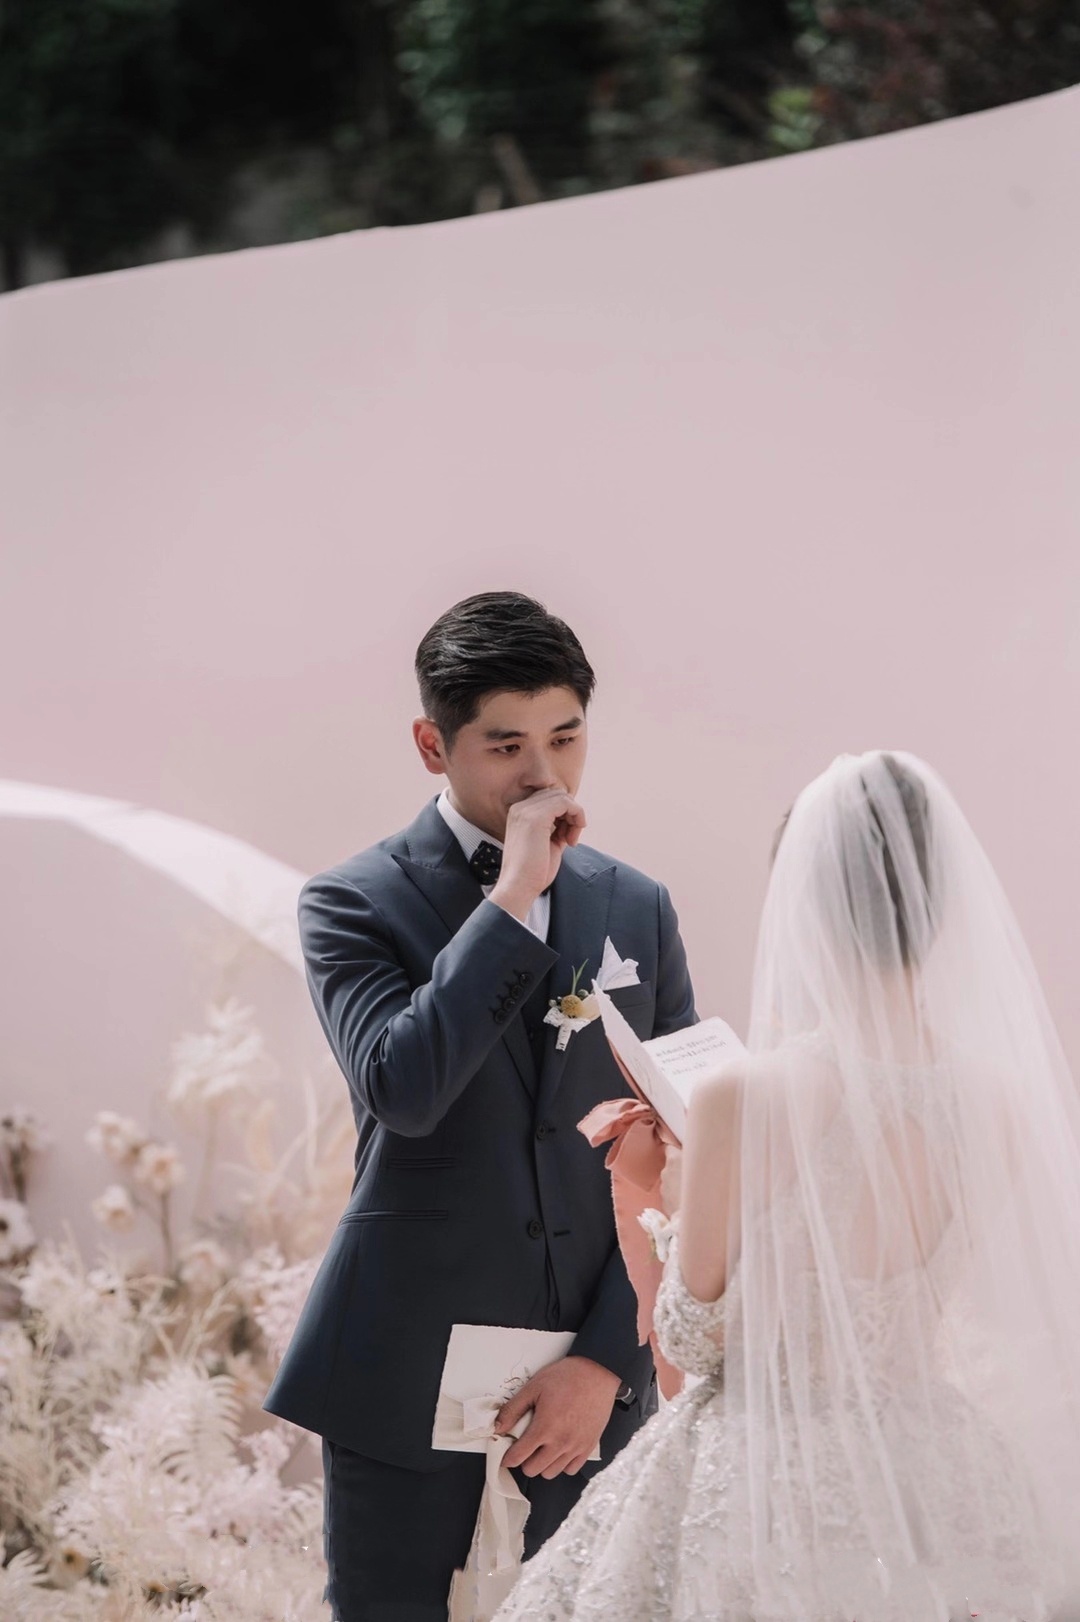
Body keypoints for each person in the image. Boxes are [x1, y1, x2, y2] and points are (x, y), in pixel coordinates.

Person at [494, 750, 1080, 1622]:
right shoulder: (995, 1103)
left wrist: (672, 1203)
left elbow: (693, 1339)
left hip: (762, 1470)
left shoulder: (746, 1096)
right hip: (929, 1463)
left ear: (804, 908)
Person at [263, 591, 697, 1621]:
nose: (544, 774)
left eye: (566, 736)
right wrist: (511, 900)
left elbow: (682, 1148)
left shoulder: (636, 904)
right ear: (433, 745)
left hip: (588, 1370)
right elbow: (403, 1090)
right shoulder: (351, 902)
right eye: (506, 745)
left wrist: (607, 1358)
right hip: (403, 1362)